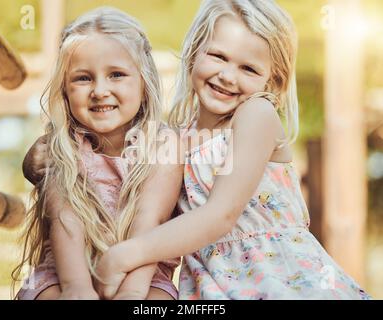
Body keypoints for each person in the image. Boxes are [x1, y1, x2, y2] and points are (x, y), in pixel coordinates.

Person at [93, 0, 371, 300]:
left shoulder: (256, 115)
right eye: (218, 56)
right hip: (214, 285)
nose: (227, 75)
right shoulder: (175, 138)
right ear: (194, 51)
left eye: (248, 68)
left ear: (272, 81)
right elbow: (131, 187)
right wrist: (40, 157)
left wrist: (126, 254)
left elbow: (221, 214)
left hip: (279, 279)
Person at [12, 7, 182, 300]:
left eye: (116, 75)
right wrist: (76, 287)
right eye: (83, 78)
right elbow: (66, 220)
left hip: (145, 274)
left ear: (144, 83)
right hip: (64, 272)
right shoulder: (63, 147)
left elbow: (149, 221)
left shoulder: (163, 145)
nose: (100, 90)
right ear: (64, 90)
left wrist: (132, 291)